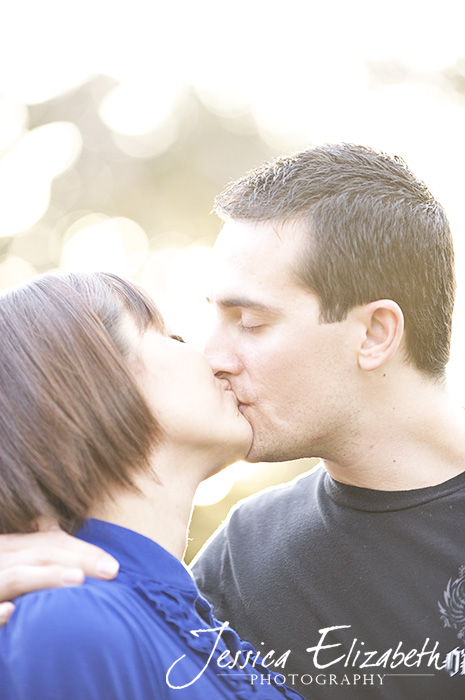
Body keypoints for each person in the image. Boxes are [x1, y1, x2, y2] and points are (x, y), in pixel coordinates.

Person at [1, 143, 465, 699]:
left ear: (373, 334)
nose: (210, 355)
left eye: (249, 321)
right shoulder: (242, 565)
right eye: (193, 327)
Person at [0, 271, 304, 700]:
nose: (215, 361)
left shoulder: (199, 625)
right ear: (93, 382)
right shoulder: (66, 624)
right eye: (173, 337)